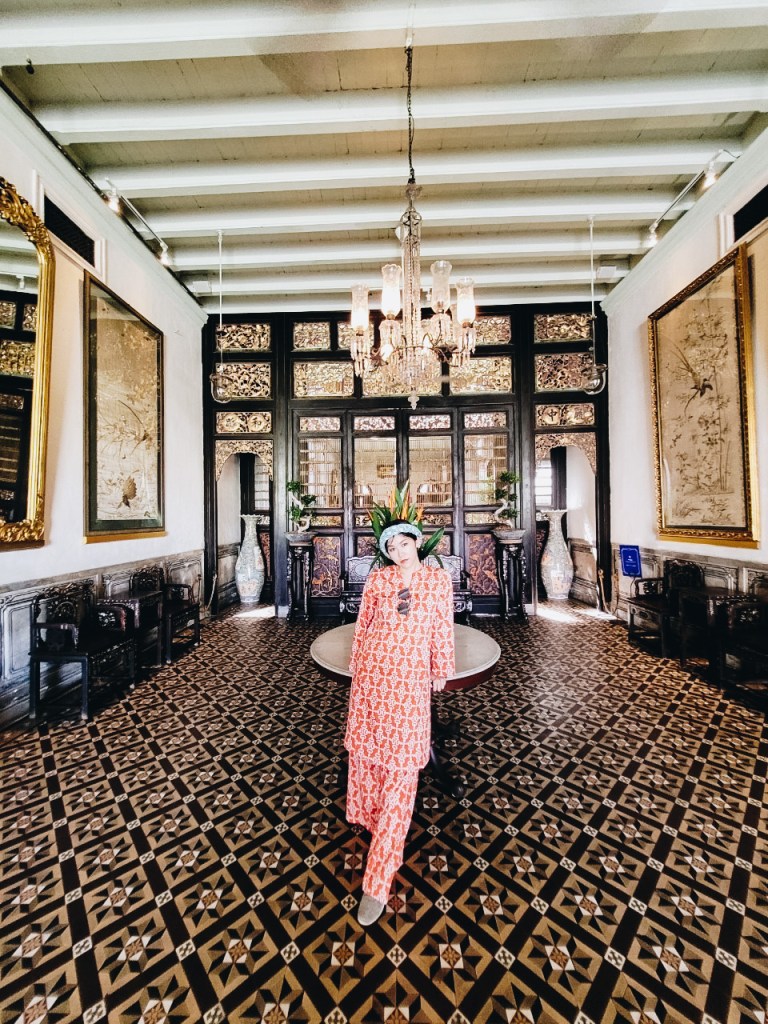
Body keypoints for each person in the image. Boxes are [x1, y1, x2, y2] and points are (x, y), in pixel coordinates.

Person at [344, 516, 455, 926]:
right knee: (368, 755)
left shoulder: (438, 581)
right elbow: (364, 625)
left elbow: (442, 625)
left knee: (403, 767)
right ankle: (372, 819)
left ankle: (378, 878)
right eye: (391, 548)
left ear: (417, 543)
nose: (398, 552)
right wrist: (357, 667)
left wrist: (440, 666)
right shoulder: (378, 579)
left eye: (403, 544)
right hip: (373, 678)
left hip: (409, 683)